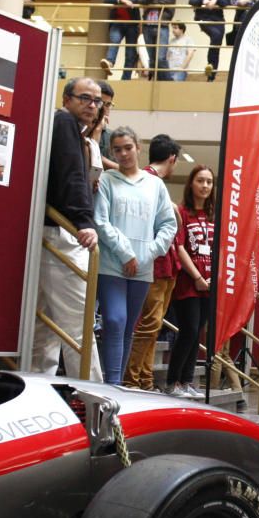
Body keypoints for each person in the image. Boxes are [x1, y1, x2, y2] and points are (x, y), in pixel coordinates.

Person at [94, 127, 177, 385]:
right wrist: (126, 253)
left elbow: (168, 225)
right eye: (117, 149)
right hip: (111, 264)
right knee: (114, 320)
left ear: (138, 148)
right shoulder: (107, 180)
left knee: (129, 326)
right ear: (112, 152)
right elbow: (100, 221)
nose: (123, 153)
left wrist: (147, 253)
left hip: (142, 267)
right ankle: (113, 383)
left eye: (128, 147)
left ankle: (118, 385)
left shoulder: (155, 185)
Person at [33, 78, 103, 380]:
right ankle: (96, 401)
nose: (91, 105)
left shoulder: (73, 131)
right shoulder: (63, 122)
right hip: (61, 234)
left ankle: (38, 389)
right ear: (67, 98)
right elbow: (72, 177)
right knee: (78, 324)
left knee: (44, 327)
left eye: (97, 101)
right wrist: (84, 221)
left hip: (50, 233)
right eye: (85, 98)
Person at [123, 135, 181, 391]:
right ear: (172, 159)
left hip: (165, 263)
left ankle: (144, 379)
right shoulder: (146, 180)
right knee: (148, 325)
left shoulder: (152, 182)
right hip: (155, 263)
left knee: (153, 325)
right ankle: (133, 379)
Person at [165, 165, 216, 397]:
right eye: (200, 181)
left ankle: (186, 382)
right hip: (188, 282)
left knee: (198, 333)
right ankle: (172, 382)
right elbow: (179, 246)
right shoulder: (182, 212)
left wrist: (211, 277)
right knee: (188, 330)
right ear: (191, 184)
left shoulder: (214, 214)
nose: (205, 186)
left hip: (209, 283)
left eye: (209, 182)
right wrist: (196, 276)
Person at [100, 0, 142, 80]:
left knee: (130, 53)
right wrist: (121, 0)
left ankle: (126, 79)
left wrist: (116, 3)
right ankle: (109, 62)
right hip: (117, 22)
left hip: (132, 24)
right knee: (114, 41)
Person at [189, 0, 231, 82]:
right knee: (216, 36)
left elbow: (228, 3)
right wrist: (204, 0)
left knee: (216, 46)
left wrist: (217, 0)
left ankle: (211, 75)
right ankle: (211, 68)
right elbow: (192, 0)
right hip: (203, 18)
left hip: (218, 20)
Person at [138, 0, 177, 80]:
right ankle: (154, 81)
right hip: (148, 24)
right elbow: (139, 0)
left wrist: (149, 2)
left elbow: (169, 0)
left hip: (162, 23)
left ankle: (166, 83)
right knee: (151, 59)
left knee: (161, 57)